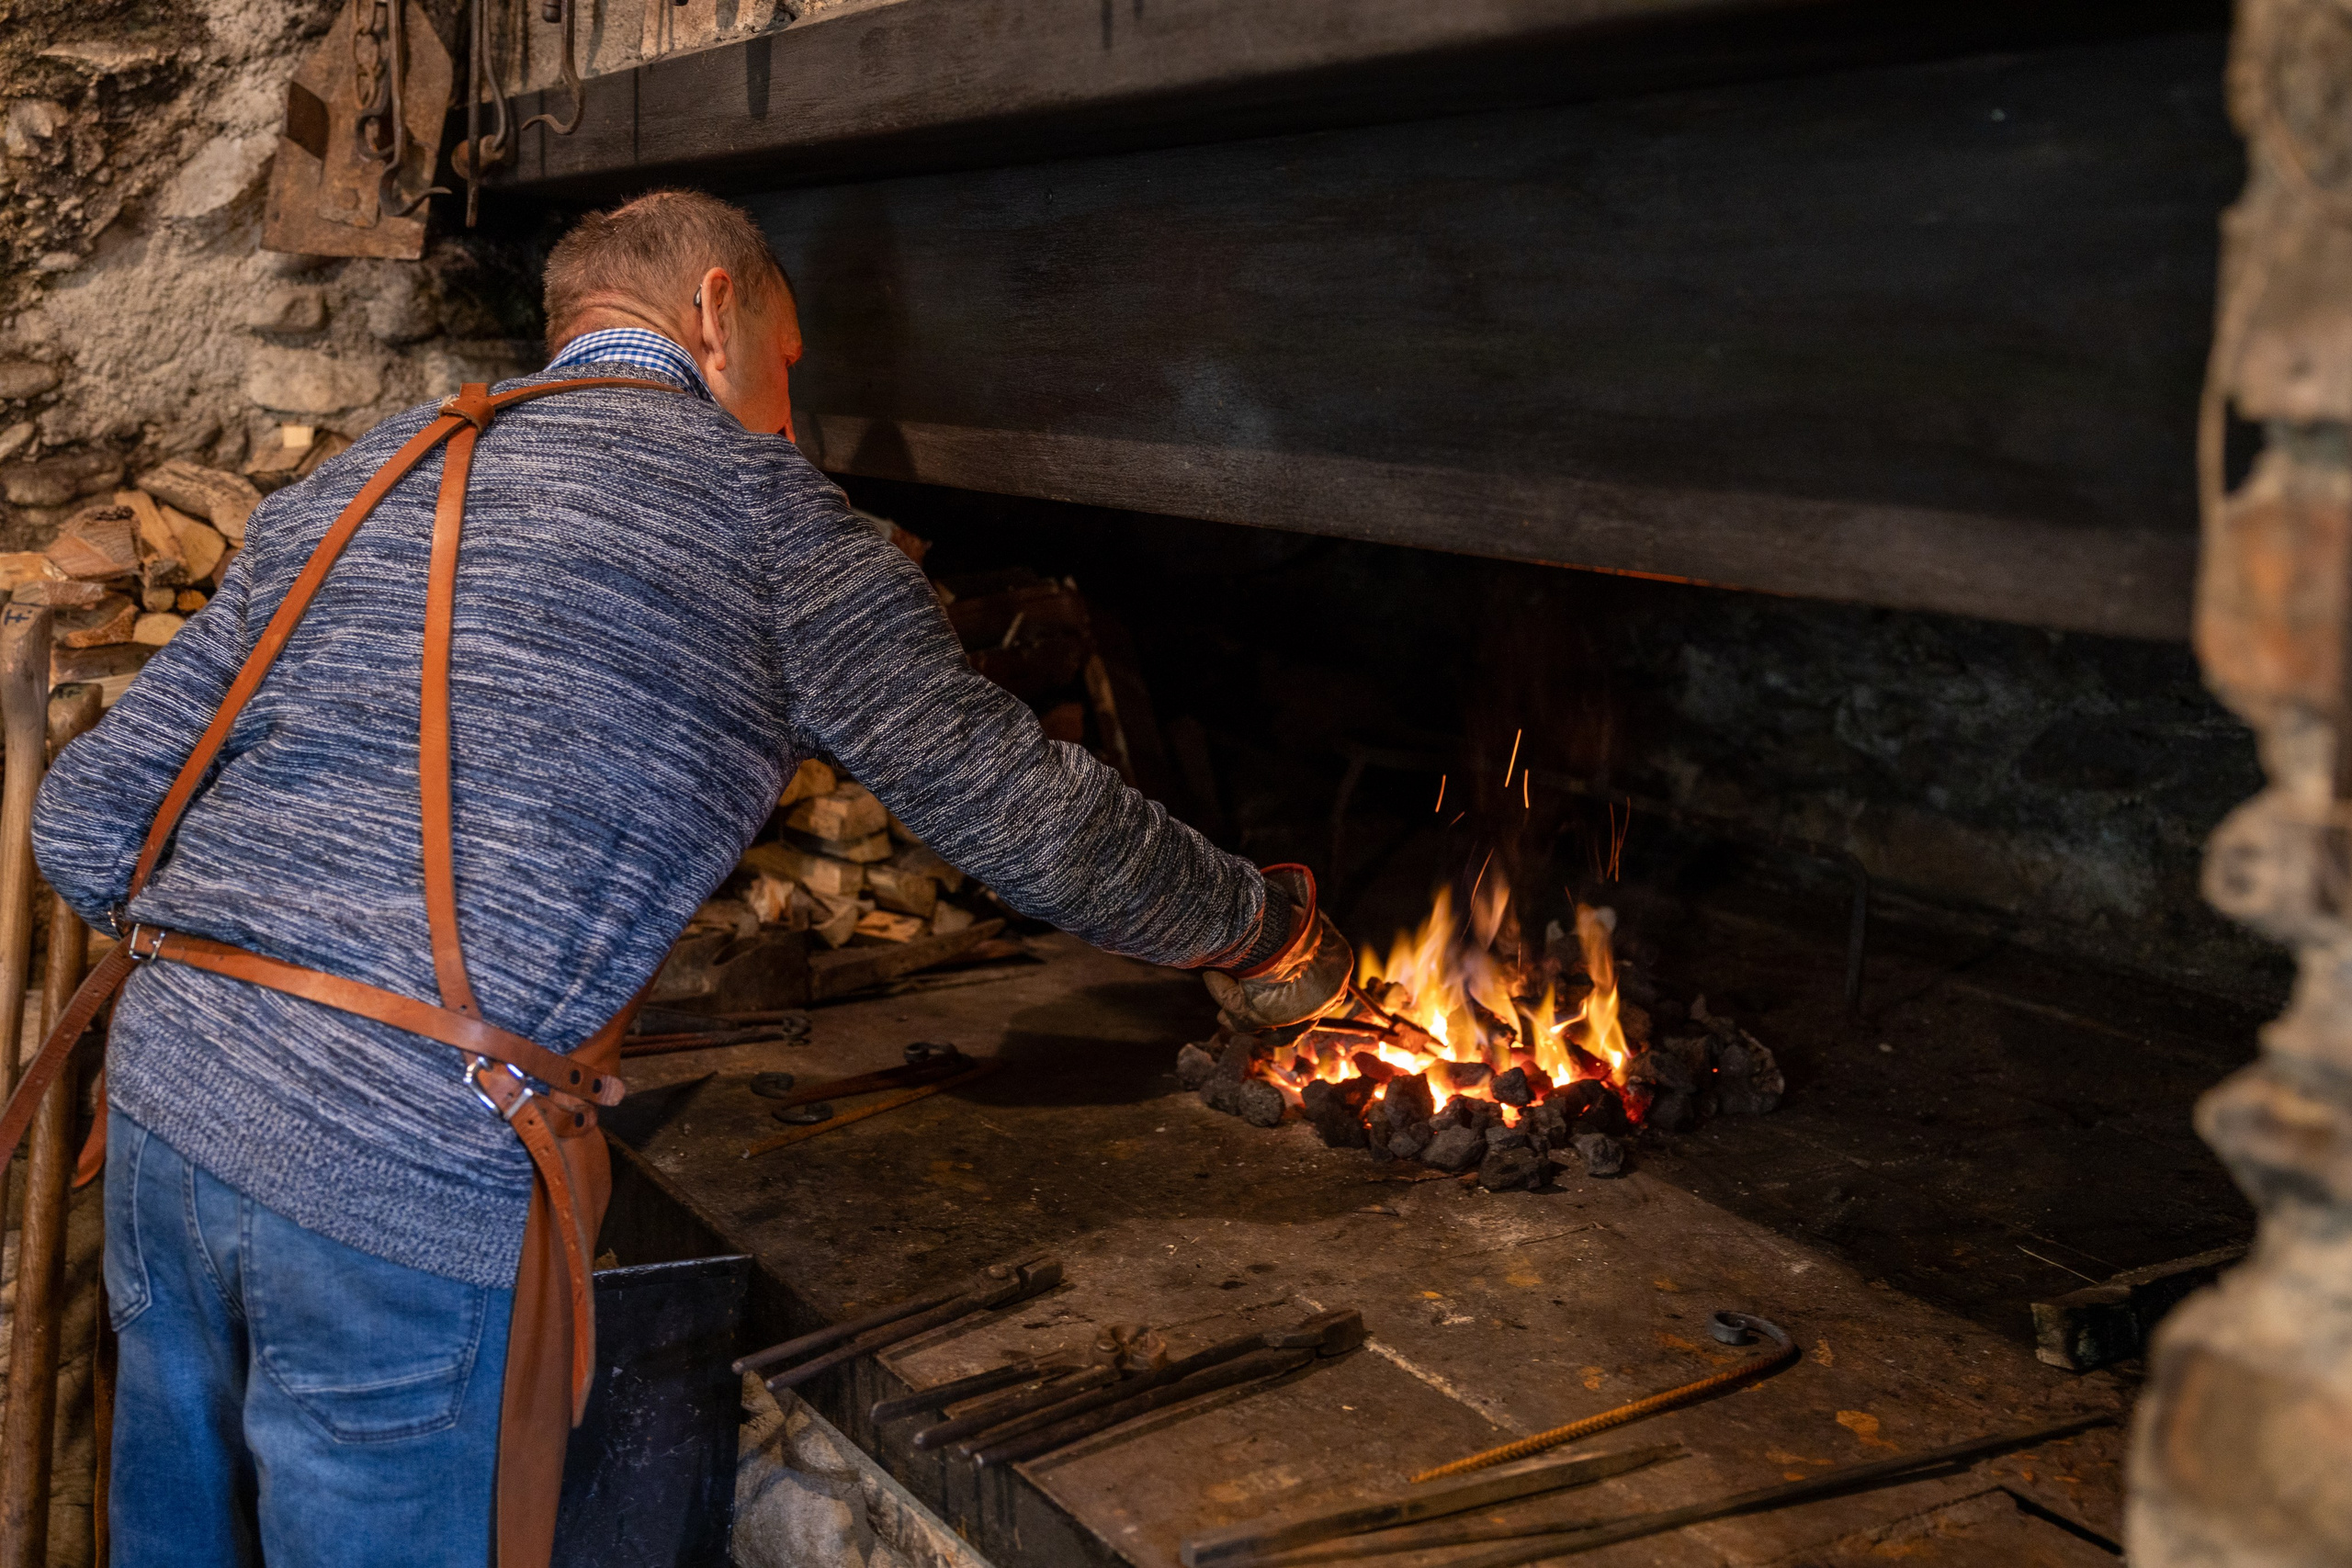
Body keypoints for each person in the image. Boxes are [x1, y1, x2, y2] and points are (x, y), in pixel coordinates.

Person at [28, 188, 1348, 1566]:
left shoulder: (367, 474)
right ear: (716, 311)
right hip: (399, 1180)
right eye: (789, 367)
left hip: (170, 1116)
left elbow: (83, 823)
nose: (793, 412)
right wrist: (1258, 927)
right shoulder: (769, 518)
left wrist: (271, 993)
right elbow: (1029, 818)